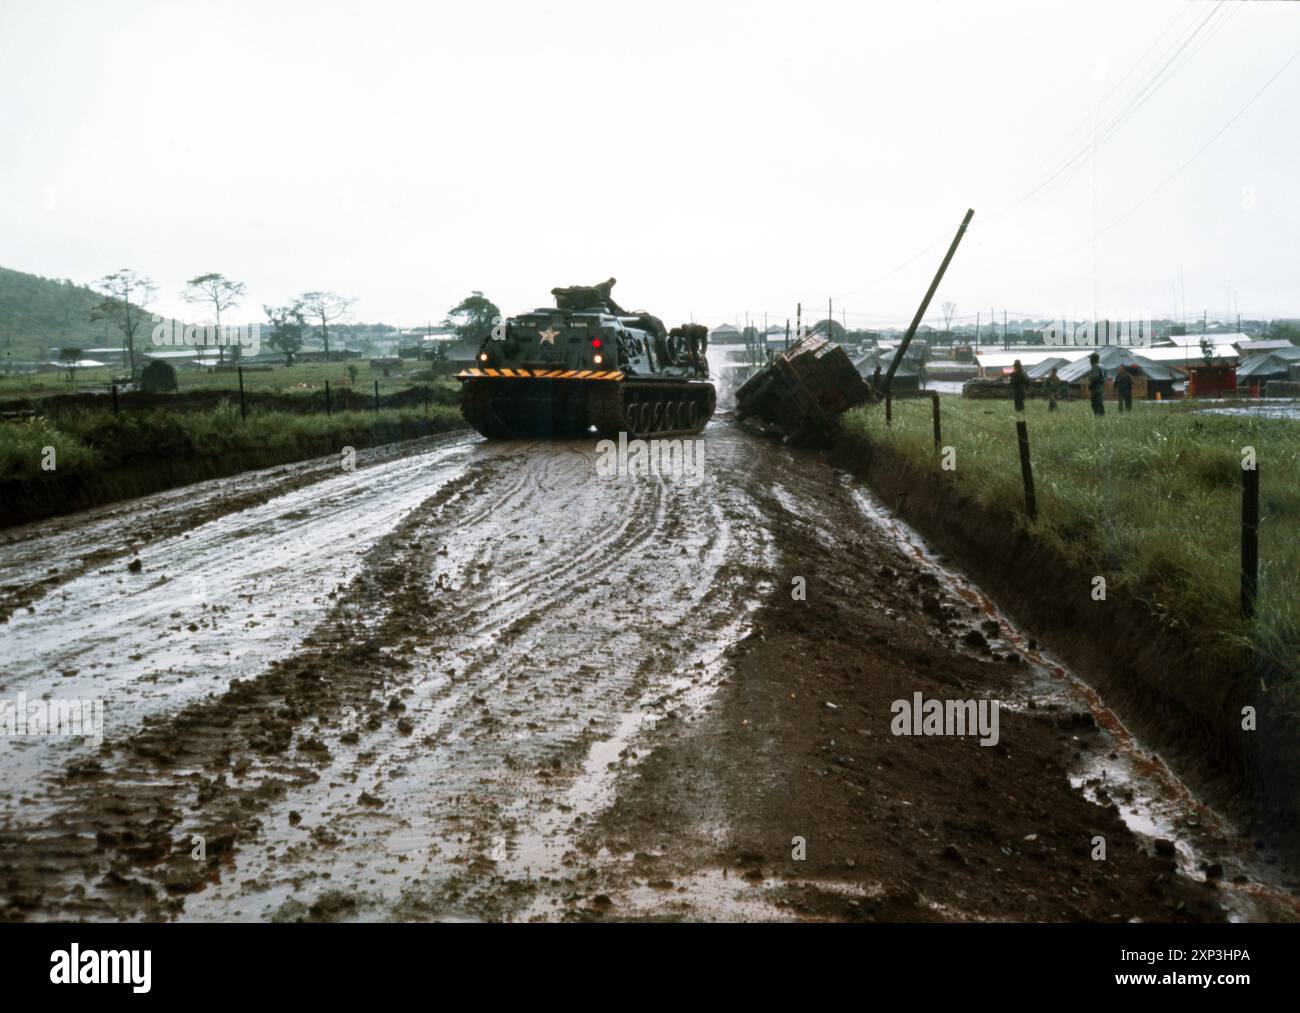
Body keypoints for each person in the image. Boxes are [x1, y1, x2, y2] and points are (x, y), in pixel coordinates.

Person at [1087, 353, 1106, 417]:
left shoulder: (1095, 366)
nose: (1089, 360)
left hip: (1096, 387)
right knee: (1099, 402)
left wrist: (1090, 383)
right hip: (1101, 387)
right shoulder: (1102, 366)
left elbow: (1095, 377)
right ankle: (1101, 415)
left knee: (1095, 403)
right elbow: (1105, 377)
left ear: (1093, 359)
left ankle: (1098, 416)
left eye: (1090, 359)